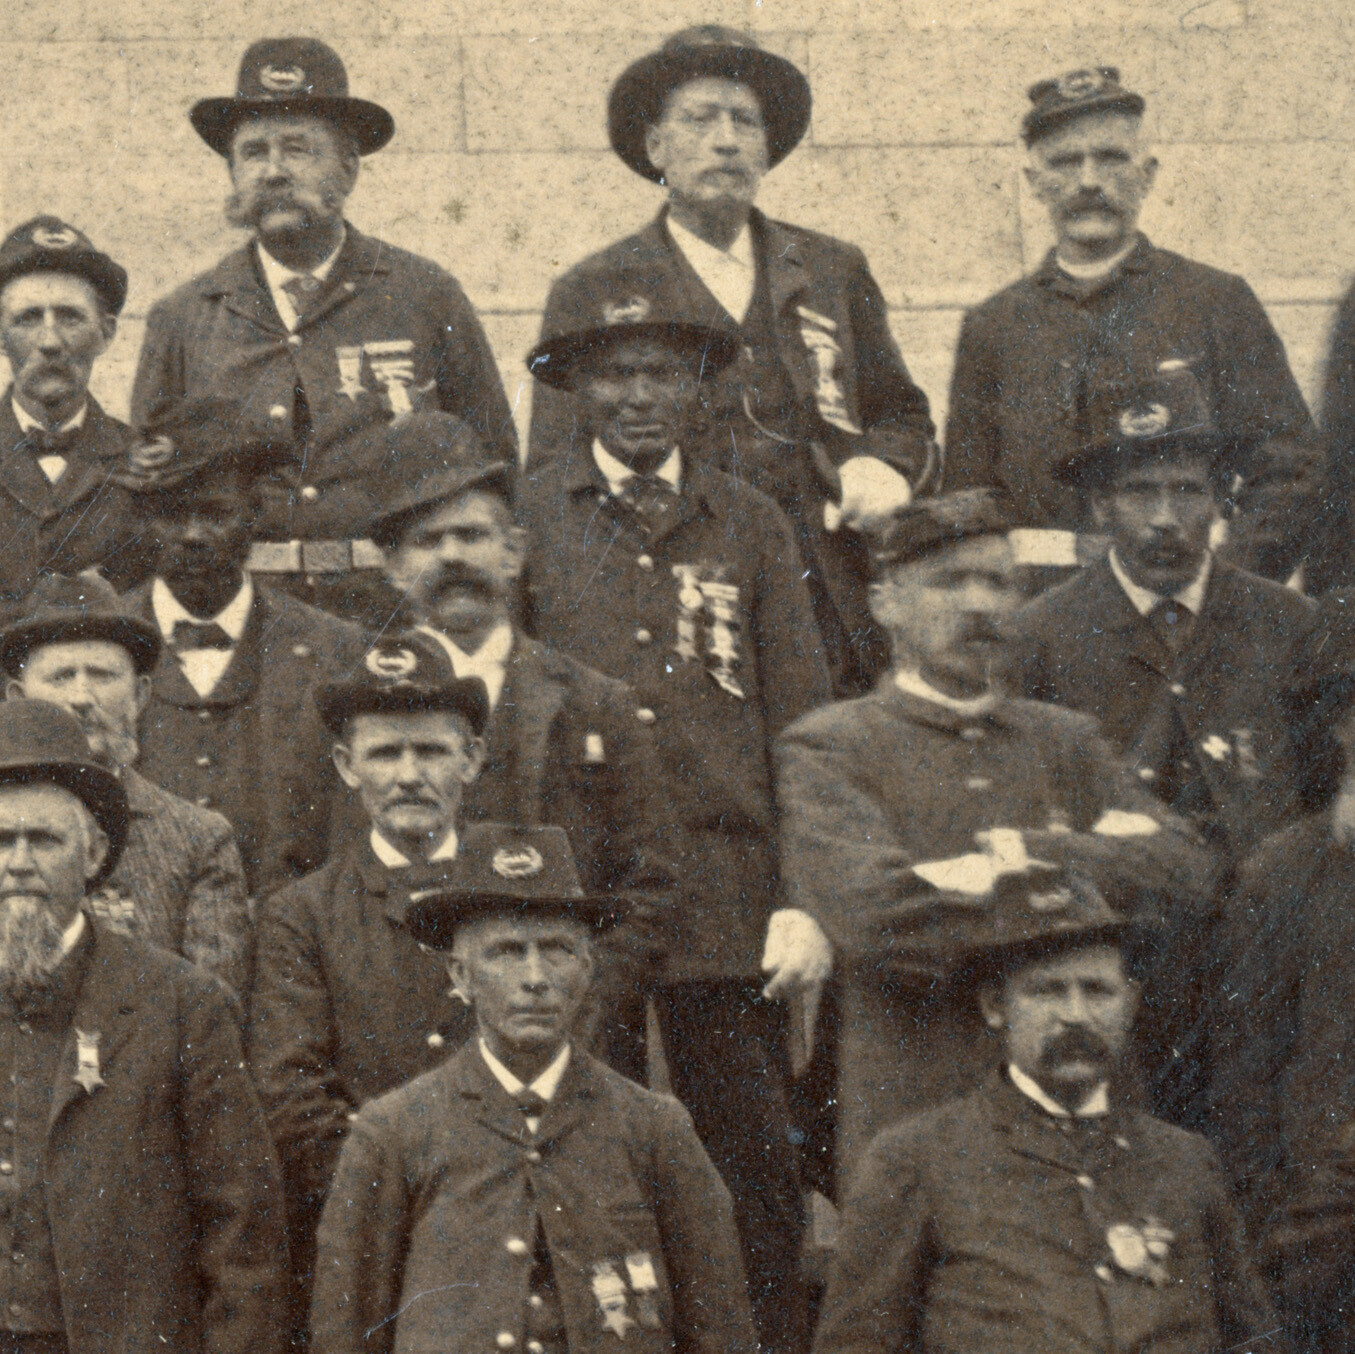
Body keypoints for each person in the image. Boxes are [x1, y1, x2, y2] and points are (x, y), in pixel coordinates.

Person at [519, 288, 834, 1354]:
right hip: (581, 896)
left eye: (663, 373)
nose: (640, 396)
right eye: (615, 374)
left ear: (697, 388)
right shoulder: (531, 518)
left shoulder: (746, 520)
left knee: (749, 1169)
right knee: (582, 1157)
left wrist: (802, 900)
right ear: (575, 389)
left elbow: (799, 720)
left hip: (724, 901)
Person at [774, 489, 1212, 1176]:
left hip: (1082, 1113)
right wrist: (1081, 897)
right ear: (884, 603)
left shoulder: (1064, 741)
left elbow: (1186, 870)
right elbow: (877, 918)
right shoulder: (832, 747)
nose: (978, 604)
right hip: (918, 1112)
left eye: (997, 583)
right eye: (949, 581)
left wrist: (1032, 853)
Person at [529, 25, 938, 695]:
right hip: (673, 592)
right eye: (698, 119)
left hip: (828, 588)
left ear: (767, 147)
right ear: (655, 146)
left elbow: (900, 413)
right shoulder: (595, 287)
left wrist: (883, 468)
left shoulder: (829, 269)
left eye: (744, 121)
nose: (725, 139)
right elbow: (554, 473)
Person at [311, 822, 759, 1354]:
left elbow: (722, 1331)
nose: (535, 976)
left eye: (557, 949)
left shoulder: (653, 1127)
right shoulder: (395, 1131)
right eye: (505, 951)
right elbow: (345, 1334)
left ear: (589, 967)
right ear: (460, 975)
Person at [810, 869, 1283, 1354]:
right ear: (996, 1007)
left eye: (1097, 990)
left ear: (1131, 1005)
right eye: (1047, 990)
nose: (1076, 1014)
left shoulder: (1184, 1162)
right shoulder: (914, 1161)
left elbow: (1255, 1339)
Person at [130, 37, 516, 625]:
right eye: (254, 152)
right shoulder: (184, 316)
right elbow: (152, 489)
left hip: (394, 610)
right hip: (247, 615)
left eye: (299, 148)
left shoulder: (423, 293)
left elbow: (495, 463)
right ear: (233, 172)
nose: (275, 170)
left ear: (348, 169)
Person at [945, 67, 1317, 585]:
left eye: (1111, 158)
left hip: (1186, 606)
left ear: (1148, 174)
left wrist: (1224, 595)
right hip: (1041, 619)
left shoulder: (1214, 300)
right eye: (1065, 162)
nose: (1089, 181)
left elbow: (1292, 471)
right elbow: (968, 500)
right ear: (1034, 183)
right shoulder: (994, 324)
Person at [0, 698, 284, 1354]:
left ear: (94, 853)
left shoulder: (181, 1004)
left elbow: (243, 1233)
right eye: (0, 840)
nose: (17, 863)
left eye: (42, 840)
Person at [368, 413, 677, 1014]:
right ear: (394, 568)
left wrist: (580, 1000)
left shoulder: (596, 704)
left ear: (514, 554)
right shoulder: (356, 704)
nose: (452, 556)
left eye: (472, 536)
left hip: (565, 1020)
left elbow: (651, 883)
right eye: (428, 542)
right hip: (402, 1021)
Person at [248, 637, 492, 1345]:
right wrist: (399, 1198)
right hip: (366, 1226)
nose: (409, 775)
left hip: (507, 1214)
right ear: (346, 767)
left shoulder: (516, 892)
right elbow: (292, 1091)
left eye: (432, 751)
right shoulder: (303, 913)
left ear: (471, 760)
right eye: (385, 754)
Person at [1008, 366, 1316, 864]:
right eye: (1140, 491)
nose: (1165, 518)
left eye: (1188, 491)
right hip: (1120, 917)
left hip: (1268, 914)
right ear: (1100, 506)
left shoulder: (1291, 622)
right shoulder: (1036, 636)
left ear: (1221, 502)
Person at [116, 396, 369, 898]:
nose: (192, 536)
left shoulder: (335, 649)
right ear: (143, 521)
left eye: (216, 515)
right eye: (171, 515)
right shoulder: (101, 644)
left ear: (255, 515)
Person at [1207, 601, 1355, 1353]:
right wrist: (1276, 1217)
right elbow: (1243, 1070)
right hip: (1321, 1218)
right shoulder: (1283, 872)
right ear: (1341, 726)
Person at [0, 571, 250, 994]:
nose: (82, 697)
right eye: (61, 677)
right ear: (18, 699)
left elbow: (213, 1014)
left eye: (101, 674)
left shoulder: (198, 841)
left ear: (140, 696)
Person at [0, 216, 150, 617]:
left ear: (106, 332)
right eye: (27, 318)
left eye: (70, 317)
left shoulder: (150, 467)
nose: (50, 342)